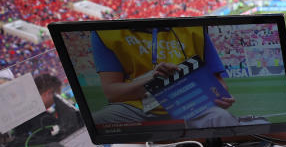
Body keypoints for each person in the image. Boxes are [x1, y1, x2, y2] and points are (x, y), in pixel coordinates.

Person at [90, 25, 238, 128]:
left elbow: (220, 83)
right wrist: (151, 80)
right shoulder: (105, 33)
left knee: (221, 117)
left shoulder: (195, 27)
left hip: (190, 105)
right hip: (137, 107)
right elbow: (112, 93)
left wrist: (218, 96)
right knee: (97, 121)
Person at [5, 73, 83, 147]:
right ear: (47, 93)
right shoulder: (40, 118)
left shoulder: (25, 111)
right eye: (57, 96)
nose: (57, 102)